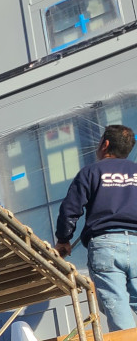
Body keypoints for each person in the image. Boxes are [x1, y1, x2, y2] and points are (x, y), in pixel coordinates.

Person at [55, 123, 137, 330]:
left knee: (116, 303)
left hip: (106, 245)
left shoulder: (91, 172)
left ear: (105, 144)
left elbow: (70, 209)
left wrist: (64, 239)